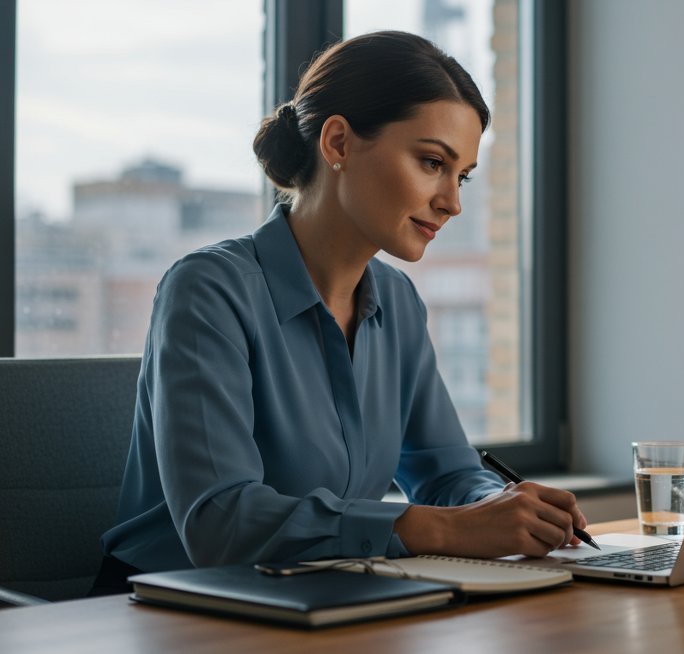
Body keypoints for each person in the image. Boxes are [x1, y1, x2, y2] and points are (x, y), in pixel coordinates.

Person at [91, 31, 586, 596]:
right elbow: (222, 524)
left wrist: (499, 508)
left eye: (463, 175)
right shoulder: (208, 290)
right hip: (166, 611)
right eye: (432, 162)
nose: (452, 200)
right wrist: (446, 528)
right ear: (339, 143)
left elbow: (446, 473)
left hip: (324, 597)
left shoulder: (397, 303)